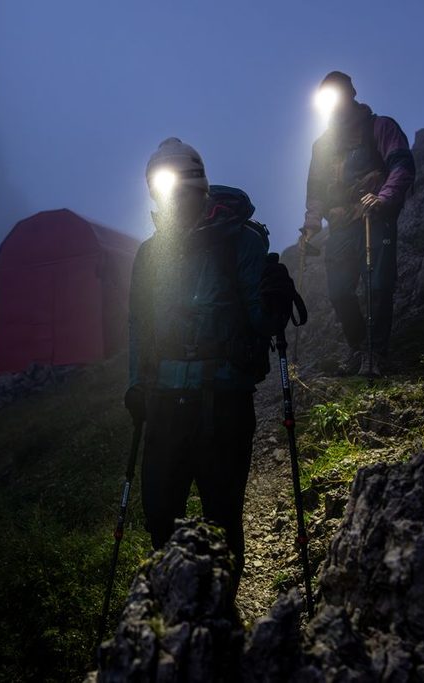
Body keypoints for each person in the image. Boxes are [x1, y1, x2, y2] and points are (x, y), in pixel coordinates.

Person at [124, 137, 295, 584]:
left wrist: (275, 300)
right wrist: (136, 384)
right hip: (165, 401)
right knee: (160, 516)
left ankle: (221, 612)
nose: (170, 201)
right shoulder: (150, 255)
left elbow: (262, 322)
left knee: (223, 516)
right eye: (161, 191)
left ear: (198, 187)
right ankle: (175, 605)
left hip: (224, 401)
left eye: (178, 189)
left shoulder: (242, 242)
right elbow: (139, 325)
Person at [300, 71, 416, 376]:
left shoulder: (381, 127)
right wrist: (312, 225)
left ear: (351, 95)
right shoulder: (322, 145)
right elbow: (316, 190)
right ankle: (359, 348)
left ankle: (376, 354)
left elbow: (402, 164)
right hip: (340, 226)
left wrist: (384, 197)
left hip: (373, 218)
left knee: (378, 286)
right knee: (339, 291)